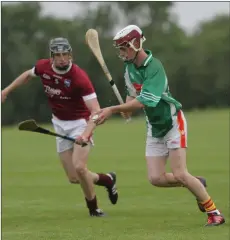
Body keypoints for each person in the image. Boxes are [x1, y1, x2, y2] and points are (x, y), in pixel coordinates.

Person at [88, 25, 225, 226]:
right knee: (156, 178)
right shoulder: (129, 68)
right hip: (154, 126)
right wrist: (125, 108)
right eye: (120, 49)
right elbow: (132, 96)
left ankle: (214, 213)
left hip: (172, 122)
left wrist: (113, 109)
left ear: (136, 44)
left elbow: (145, 101)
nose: (122, 53)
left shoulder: (154, 68)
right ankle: (196, 183)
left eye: (124, 48)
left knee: (179, 173)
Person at [1, 37, 118, 217]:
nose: (63, 58)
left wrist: (86, 133)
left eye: (66, 54)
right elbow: (27, 75)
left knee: (79, 167)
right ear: (52, 57)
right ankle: (107, 180)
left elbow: (95, 110)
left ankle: (94, 209)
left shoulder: (79, 77)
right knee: (74, 177)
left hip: (81, 123)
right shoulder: (43, 67)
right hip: (59, 124)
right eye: (58, 55)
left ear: (70, 54)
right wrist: (6, 91)